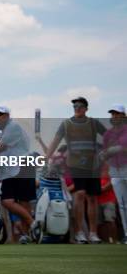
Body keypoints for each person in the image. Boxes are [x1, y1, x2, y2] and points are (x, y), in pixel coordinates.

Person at [36, 97, 106, 244]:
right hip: (76, 165)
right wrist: (46, 158)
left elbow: (108, 138)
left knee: (92, 198)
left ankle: (93, 233)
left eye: (80, 106)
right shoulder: (66, 124)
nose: (77, 109)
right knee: (80, 194)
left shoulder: (93, 123)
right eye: (75, 106)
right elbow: (54, 142)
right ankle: (79, 232)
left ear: (86, 108)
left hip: (93, 165)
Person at [0, 106, 35, 242]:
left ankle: (27, 235)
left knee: (23, 201)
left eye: (0, 114)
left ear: (7, 115)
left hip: (23, 165)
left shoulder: (13, 126)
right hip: (10, 169)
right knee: (7, 201)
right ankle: (33, 224)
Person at [100, 104, 127, 244]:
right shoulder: (108, 134)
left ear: (124, 115)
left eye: (118, 114)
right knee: (122, 205)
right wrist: (103, 155)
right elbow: (106, 152)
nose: (115, 116)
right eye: (113, 114)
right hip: (115, 170)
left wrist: (117, 149)